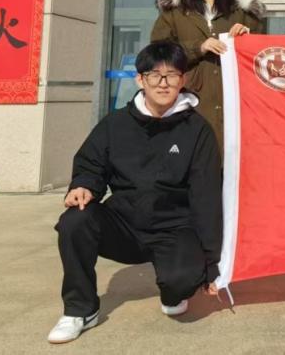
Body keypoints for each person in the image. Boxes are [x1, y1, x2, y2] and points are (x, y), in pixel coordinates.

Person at [47, 41, 222, 344]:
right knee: (75, 221)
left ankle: (174, 290)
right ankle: (80, 310)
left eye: (172, 75)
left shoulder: (197, 130)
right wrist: (83, 185)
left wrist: (212, 264)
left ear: (183, 79)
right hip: (124, 224)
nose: (163, 83)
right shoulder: (115, 124)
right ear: (140, 79)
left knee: (181, 282)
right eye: (155, 75)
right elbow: (91, 164)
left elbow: (206, 197)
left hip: (174, 228)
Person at [151, 0, 265, 146]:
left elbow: (263, 57)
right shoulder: (174, 10)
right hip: (188, 102)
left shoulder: (242, 10)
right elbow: (158, 54)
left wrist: (246, 40)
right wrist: (198, 47)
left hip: (234, 103)